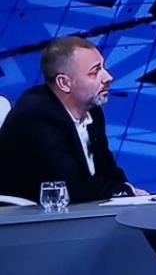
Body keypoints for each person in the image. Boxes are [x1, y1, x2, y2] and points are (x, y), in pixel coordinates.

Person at [0, 36, 147, 203]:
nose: (108, 77)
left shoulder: (92, 111)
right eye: (94, 72)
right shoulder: (36, 116)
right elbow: (72, 187)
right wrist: (125, 191)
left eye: (103, 67)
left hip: (73, 211)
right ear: (64, 83)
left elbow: (108, 170)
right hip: (24, 215)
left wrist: (131, 192)